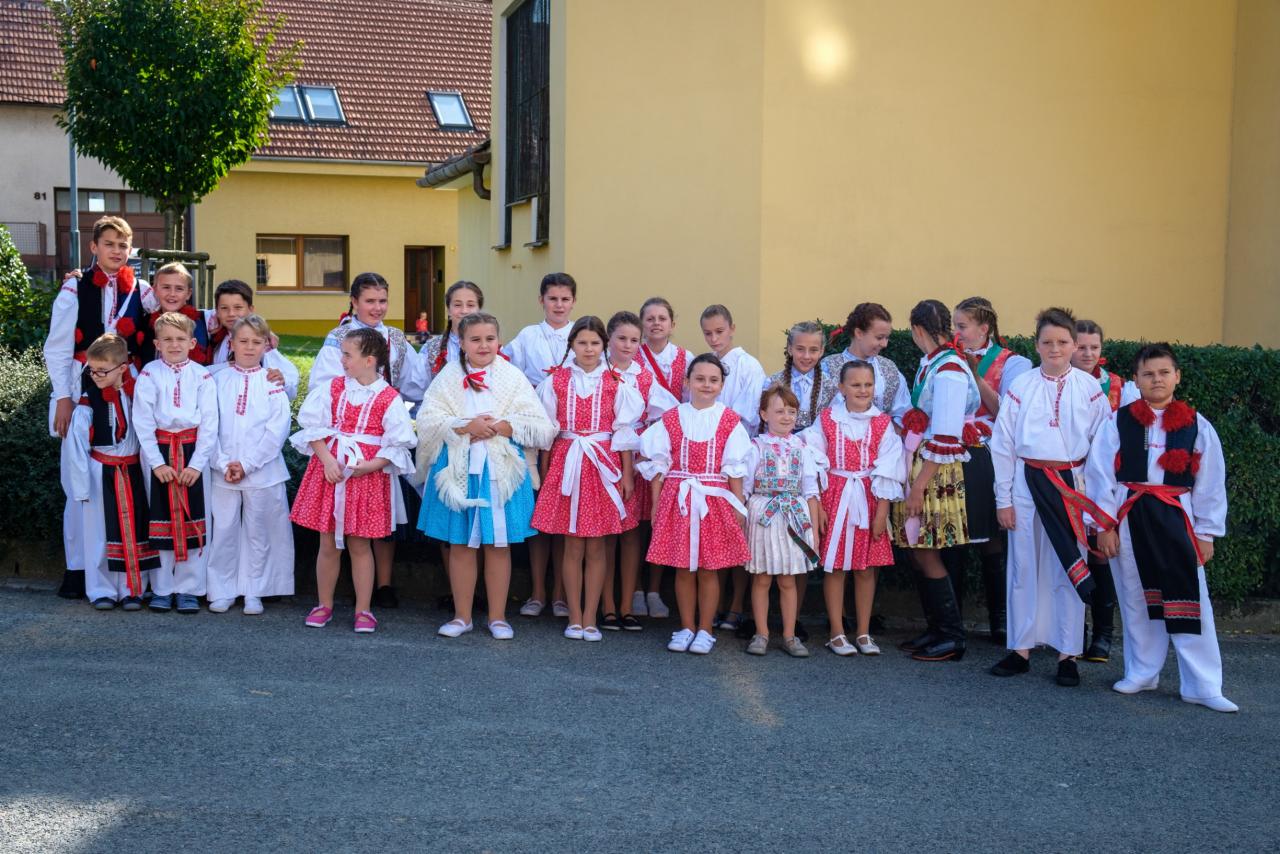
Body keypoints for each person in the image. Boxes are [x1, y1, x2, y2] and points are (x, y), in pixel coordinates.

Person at [1089, 343, 1237, 712]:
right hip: (1131, 515)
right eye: (1148, 374)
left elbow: (1210, 482)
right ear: (1136, 380)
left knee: (1190, 598)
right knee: (1136, 596)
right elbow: (1100, 475)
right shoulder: (1118, 422)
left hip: (1176, 516)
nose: (1157, 379)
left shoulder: (1197, 425)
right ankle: (1142, 672)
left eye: (1164, 373)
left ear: (1177, 376)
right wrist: (1104, 526)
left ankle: (1203, 685)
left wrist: (1206, 533)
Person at [988, 307, 1116, 687]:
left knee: (1067, 565)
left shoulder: (1090, 390)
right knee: (1023, 565)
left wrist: (1096, 507)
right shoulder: (1021, 386)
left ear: (1074, 345)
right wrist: (1003, 500)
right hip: (1027, 482)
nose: (1055, 348)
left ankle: (1068, 653)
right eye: (1047, 342)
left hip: (1071, 485)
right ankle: (1020, 649)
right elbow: (1003, 444)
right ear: (1037, 344)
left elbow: (1102, 450)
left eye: (1062, 341)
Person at [417, 312, 558, 640]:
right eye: (475, 339)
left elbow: (540, 425)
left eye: (489, 339)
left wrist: (504, 426)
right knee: (461, 545)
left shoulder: (511, 376)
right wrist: (464, 425)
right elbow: (427, 419)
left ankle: (497, 617)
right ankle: (462, 616)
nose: (483, 345)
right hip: (458, 468)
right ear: (462, 343)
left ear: (499, 341)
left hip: (500, 472)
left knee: (498, 544)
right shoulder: (449, 376)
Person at [44, 215, 157, 599]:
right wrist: (63, 397)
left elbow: (175, 312)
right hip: (81, 394)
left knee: (130, 480)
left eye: (123, 245)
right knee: (80, 483)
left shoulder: (141, 289)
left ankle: (128, 570)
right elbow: (58, 347)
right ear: (93, 247)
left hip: (127, 394)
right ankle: (78, 570)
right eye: (109, 244)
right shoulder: (74, 289)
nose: (116, 251)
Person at [310, 272, 424, 610]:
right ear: (354, 302)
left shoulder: (396, 338)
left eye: (382, 300)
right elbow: (323, 385)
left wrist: (393, 402)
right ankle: (342, 592)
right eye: (370, 301)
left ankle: (382, 585)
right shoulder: (339, 338)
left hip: (380, 436)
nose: (377, 307)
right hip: (346, 437)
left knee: (380, 515)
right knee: (340, 525)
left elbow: (415, 383)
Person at [291, 328, 416, 634]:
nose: (342, 360)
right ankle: (323, 604)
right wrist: (327, 460)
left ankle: (363, 609)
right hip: (331, 471)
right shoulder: (334, 388)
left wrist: (369, 466)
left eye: (348, 354)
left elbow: (397, 444)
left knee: (360, 545)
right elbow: (313, 427)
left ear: (369, 360)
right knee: (327, 543)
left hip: (366, 477)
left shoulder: (388, 397)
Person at [532, 316, 643, 642]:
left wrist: (627, 474)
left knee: (596, 546)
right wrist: (544, 473)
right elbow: (548, 433)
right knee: (572, 545)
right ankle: (574, 617)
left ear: (604, 345)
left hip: (602, 466)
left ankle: (591, 617)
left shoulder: (616, 382)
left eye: (595, 343)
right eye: (582, 343)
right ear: (572, 346)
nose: (589, 349)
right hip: (567, 462)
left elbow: (623, 433)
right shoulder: (556, 381)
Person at [640, 354, 751, 655]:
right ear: (687, 382)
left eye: (713, 380)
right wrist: (655, 504)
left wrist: (738, 506)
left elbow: (735, 468)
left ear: (722, 385)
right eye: (700, 379)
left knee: (707, 569)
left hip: (714, 501)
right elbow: (659, 464)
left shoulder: (729, 420)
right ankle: (686, 626)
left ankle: (705, 629)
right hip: (679, 499)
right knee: (683, 568)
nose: (706, 385)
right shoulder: (672, 418)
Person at [891, 300, 980, 662]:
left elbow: (945, 436)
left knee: (927, 549)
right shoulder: (934, 362)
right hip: (926, 463)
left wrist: (918, 487)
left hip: (935, 469)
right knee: (917, 549)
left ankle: (952, 636)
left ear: (917, 330)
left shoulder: (950, 371)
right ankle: (936, 629)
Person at [802, 360, 905, 656]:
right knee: (835, 567)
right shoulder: (827, 419)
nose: (863, 390)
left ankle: (863, 632)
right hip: (835, 497)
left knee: (866, 569)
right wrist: (819, 507)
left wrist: (882, 511)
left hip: (868, 498)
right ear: (842, 388)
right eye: (856, 384)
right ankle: (836, 631)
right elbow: (813, 458)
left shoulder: (882, 423)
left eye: (868, 385)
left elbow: (888, 468)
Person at [949, 296, 1035, 644]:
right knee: (953, 531)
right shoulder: (946, 357)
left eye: (962, 326)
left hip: (991, 455)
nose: (955, 332)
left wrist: (973, 373)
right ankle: (951, 619)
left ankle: (1000, 618)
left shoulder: (1014, 363)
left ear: (984, 329)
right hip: (952, 452)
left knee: (992, 538)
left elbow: (1005, 413)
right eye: (953, 325)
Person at [61, 333, 160, 609]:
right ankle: (101, 589)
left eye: (102, 370)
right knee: (99, 533)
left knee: (136, 529)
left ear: (122, 368)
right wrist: (81, 486)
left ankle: (133, 589)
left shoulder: (137, 394)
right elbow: (77, 445)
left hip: (132, 471)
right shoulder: (88, 401)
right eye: (92, 370)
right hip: (100, 472)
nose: (95, 376)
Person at [205, 315, 295, 615]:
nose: (249, 347)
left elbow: (276, 431)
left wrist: (247, 464)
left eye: (256, 342)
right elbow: (208, 424)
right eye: (243, 341)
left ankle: (254, 590)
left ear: (266, 345)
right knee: (224, 530)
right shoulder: (216, 380)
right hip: (222, 470)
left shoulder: (272, 383)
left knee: (260, 531)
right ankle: (222, 589)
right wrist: (221, 462)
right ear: (231, 343)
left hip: (262, 471)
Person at [133, 311, 218, 614]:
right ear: (156, 343)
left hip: (193, 451)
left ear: (192, 343)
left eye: (180, 339)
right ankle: (162, 587)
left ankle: (189, 588)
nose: (174, 344)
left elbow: (210, 423)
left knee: (195, 517)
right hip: (159, 452)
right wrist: (157, 463)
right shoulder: (149, 374)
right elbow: (142, 421)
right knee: (160, 519)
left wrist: (196, 465)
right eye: (167, 339)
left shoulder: (202, 376)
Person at [600, 311, 679, 631]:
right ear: (609, 339)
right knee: (606, 535)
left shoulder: (644, 377)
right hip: (602, 456)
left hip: (632, 458)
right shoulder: (598, 371)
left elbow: (670, 412)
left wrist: (649, 442)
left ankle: (626, 605)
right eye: (622, 338)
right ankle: (606, 605)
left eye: (634, 340)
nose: (628, 345)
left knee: (632, 534)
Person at [505, 272, 578, 618]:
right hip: (534, 432)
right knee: (540, 515)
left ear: (573, 302)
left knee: (563, 517)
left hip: (571, 435)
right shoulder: (527, 337)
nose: (559, 305)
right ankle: (537, 592)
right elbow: (508, 373)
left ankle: (561, 594)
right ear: (541, 300)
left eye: (565, 299)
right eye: (553, 299)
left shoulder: (582, 336)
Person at [742, 384, 824, 657]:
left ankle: (790, 635)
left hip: (793, 516)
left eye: (791, 411)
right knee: (762, 578)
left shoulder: (803, 448)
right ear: (764, 414)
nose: (786, 416)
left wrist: (813, 532)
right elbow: (745, 488)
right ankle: (761, 633)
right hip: (763, 515)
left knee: (788, 580)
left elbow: (810, 491)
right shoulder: (755, 447)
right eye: (779, 411)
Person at [700, 304, 765, 633]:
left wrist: (717, 432)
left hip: (737, 455)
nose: (714, 338)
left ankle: (736, 605)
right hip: (707, 460)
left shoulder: (748, 365)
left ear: (732, 329)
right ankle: (713, 603)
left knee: (738, 531)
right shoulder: (706, 365)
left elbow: (745, 415)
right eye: (708, 333)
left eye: (719, 331)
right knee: (715, 534)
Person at [631, 295, 693, 618]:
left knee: (661, 520)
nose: (656, 323)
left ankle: (654, 590)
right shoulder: (632, 355)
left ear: (672, 323)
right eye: (650, 318)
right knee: (636, 521)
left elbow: (691, 402)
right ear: (642, 323)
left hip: (672, 445)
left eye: (662, 318)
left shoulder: (686, 358)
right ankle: (634, 589)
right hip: (638, 443)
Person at [1071, 318, 1124, 661]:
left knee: (1101, 553)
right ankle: (1074, 631)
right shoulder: (1057, 381)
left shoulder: (1118, 386)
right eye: (1081, 346)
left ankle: (1104, 633)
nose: (1088, 353)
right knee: (1072, 551)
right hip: (1070, 478)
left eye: (1095, 347)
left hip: (1105, 480)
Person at [205, 279, 298, 400]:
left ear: (251, 310)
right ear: (217, 311)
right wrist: (225, 366)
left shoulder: (260, 342)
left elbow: (291, 388)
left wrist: (283, 380)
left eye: (238, 307)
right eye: (224, 308)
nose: (231, 313)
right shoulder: (212, 329)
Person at [819, 302, 910, 424]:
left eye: (887, 337)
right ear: (859, 333)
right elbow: (818, 411)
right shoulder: (829, 366)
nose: (884, 344)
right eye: (879, 337)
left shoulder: (889, 368)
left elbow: (903, 413)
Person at [765, 320, 839, 433]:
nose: (806, 356)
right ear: (790, 349)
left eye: (813, 350)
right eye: (800, 349)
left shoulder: (830, 386)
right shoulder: (773, 383)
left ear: (821, 351)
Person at [139, 262, 220, 366]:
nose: (172, 294)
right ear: (155, 290)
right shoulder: (144, 323)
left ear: (188, 294)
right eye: (166, 287)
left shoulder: (205, 320)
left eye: (179, 288)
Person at [421, 280, 484, 388]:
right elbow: (417, 391)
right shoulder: (430, 349)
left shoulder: (492, 348)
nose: (464, 311)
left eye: (470, 305)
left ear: (479, 310)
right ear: (449, 310)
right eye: (457, 305)